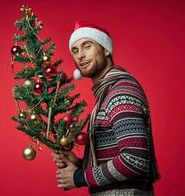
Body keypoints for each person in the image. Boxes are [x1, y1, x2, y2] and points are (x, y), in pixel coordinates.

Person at [52, 21, 160, 196]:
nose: (80, 55)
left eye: (87, 46)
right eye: (75, 50)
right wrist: (81, 163)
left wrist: (79, 177)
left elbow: (135, 160)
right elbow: (120, 158)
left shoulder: (120, 93)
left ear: (106, 49)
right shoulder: (108, 92)